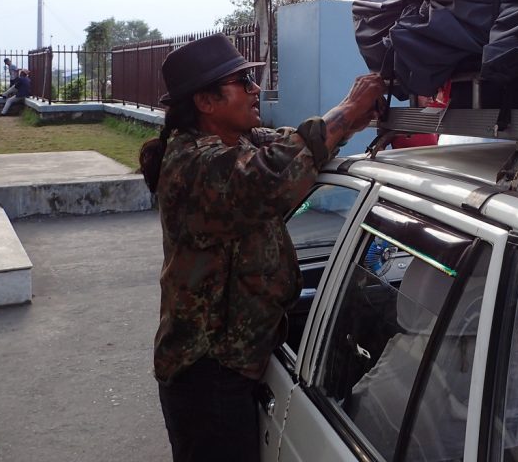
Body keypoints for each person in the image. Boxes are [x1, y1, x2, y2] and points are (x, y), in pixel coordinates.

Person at [138, 34, 385, 462]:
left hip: (234, 364)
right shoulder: (194, 164)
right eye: (243, 80)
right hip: (207, 375)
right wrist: (347, 112)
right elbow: (272, 178)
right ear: (206, 102)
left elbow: (294, 144)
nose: (256, 89)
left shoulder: (241, 143)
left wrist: (353, 121)